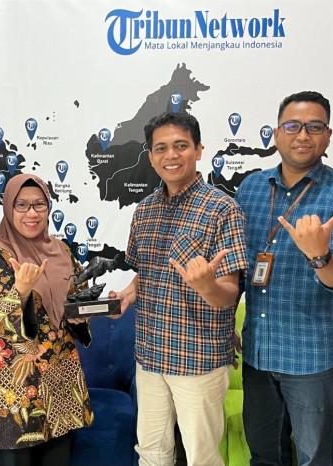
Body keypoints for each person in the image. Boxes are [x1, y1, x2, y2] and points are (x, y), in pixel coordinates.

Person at [235, 91, 333, 466]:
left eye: (314, 127)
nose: (303, 135)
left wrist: (319, 256)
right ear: (276, 133)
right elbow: (240, 267)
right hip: (259, 352)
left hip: (313, 360)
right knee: (264, 457)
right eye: (292, 126)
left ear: (328, 135)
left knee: (316, 459)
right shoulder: (251, 188)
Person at [111, 112, 247, 466]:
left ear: (198, 150)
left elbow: (228, 294)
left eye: (181, 146)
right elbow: (148, 273)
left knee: (202, 458)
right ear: (151, 156)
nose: (170, 155)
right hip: (150, 355)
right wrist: (129, 293)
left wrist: (206, 285)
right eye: (161, 148)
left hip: (197, 359)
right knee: (151, 452)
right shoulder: (144, 211)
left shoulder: (223, 209)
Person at [0, 173, 93, 466]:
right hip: (16, 387)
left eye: (39, 204)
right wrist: (20, 289)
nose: (32, 213)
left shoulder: (62, 250)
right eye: (22, 205)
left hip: (61, 379)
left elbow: (78, 299)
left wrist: (82, 317)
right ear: (8, 209)